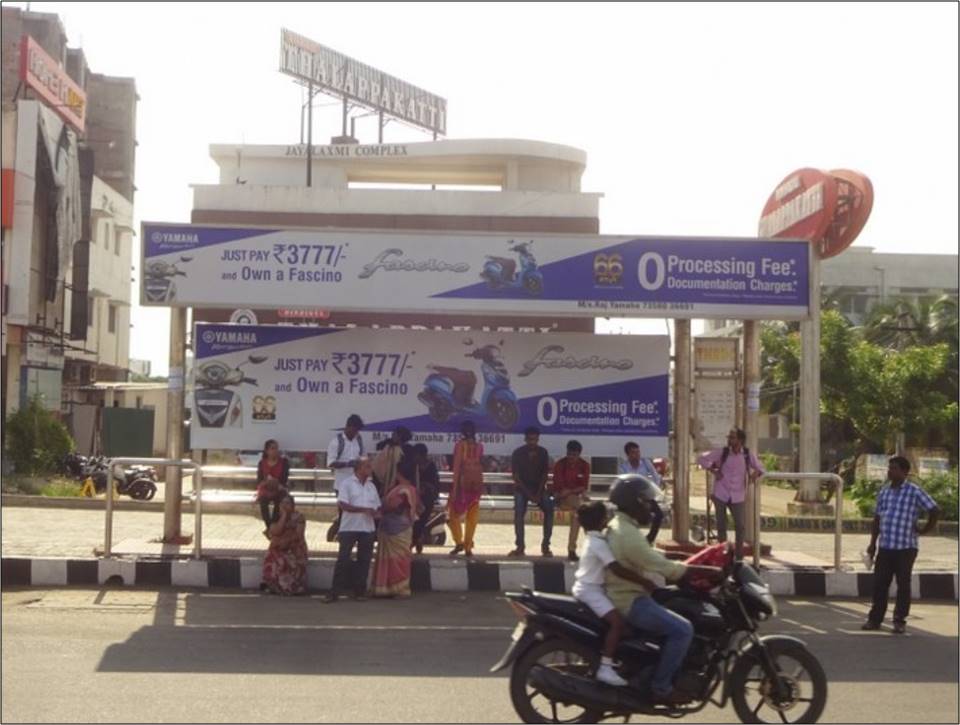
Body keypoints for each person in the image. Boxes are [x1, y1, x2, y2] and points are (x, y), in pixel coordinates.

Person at [605, 475, 723, 706]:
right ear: (634, 502)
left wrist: (683, 557)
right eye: (647, 502)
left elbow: (649, 556)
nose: (651, 507)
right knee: (683, 630)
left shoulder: (623, 526)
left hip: (626, 595)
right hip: (630, 601)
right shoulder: (627, 534)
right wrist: (709, 572)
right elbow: (667, 570)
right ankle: (661, 687)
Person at [572, 501, 660, 687]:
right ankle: (605, 668)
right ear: (600, 520)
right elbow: (617, 569)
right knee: (618, 623)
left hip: (593, 588)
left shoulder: (596, 538)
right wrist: (644, 581)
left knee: (626, 626)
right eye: (606, 516)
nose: (609, 519)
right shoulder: (598, 543)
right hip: (590, 591)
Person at [862, 456, 940, 634]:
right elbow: (877, 518)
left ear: (904, 472)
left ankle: (899, 620)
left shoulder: (914, 491)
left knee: (903, 584)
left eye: (894, 468)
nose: (890, 471)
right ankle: (875, 619)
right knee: (880, 583)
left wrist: (924, 529)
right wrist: (872, 544)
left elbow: (934, 509)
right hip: (886, 546)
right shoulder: (885, 492)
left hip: (906, 547)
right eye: (889, 468)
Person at [696, 428, 765, 560]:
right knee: (721, 525)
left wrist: (753, 475)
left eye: (732, 438)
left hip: (738, 495)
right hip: (721, 492)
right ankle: (724, 554)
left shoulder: (746, 454)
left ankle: (739, 555)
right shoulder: (723, 452)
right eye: (729, 437)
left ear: (740, 440)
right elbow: (701, 459)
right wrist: (713, 470)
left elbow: (760, 468)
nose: (729, 440)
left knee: (740, 525)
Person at [324, 457, 381, 603]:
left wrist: (377, 513)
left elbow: (377, 506)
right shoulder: (347, 484)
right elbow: (343, 505)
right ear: (359, 468)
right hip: (349, 527)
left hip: (367, 528)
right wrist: (363, 510)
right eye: (367, 467)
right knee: (343, 559)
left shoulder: (371, 486)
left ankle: (359, 592)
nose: (370, 470)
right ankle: (334, 591)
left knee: (364, 560)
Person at [371, 462, 421, 598]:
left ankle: (397, 589)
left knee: (396, 560)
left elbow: (395, 506)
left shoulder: (402, 490)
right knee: (400, 559)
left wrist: (380, 506)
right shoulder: (411, 489)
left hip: (395, 529)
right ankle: (394, 588)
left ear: (398, 473)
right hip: (402, 529)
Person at [509, 426, 555, 557]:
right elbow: (516, 477)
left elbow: (544, 475)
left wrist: (539, 493)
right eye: (529, 439)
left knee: (550, 509)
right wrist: (529, 494)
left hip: (539, 489)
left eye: (534, 439)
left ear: (538, 439)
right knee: (518, 512)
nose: (532, 442)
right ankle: (520, 546)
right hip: (522, 489)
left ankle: (546, 546)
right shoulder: (517, 453)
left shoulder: (543, 452)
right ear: (525, 439)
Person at [448, 420, 485, 557]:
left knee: (454, 515)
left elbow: (457, 468)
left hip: (462, 486)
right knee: (472, 517)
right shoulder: (480, 446)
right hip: (475, 486)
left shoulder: (459, 446)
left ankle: (459, 542)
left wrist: (454, 488)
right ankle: (468, 546)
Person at [326, 415, 365, 541]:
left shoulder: (358, 440)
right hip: (341, 484)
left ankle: (345, 537)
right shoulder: (336, 441)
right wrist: (348, 464)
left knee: (353, 513)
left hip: (357, 483)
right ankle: (340, 536)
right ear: (348, 427)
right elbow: (331, 463)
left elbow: (363, 457)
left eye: (358, 431)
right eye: (355, 430)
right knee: (344, 512)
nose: (356, 433)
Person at [260, 493, 308, 595]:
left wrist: (287, 542)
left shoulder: (299, 517)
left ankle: (291, 586)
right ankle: (274, 585)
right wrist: (284, 516)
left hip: (294, 547)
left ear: (293, 505)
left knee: (287, 560)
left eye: (288, 503)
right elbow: (276, 531)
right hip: (279, 547)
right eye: (282, 503)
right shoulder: (276, 517)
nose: (285, 506)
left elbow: (298, 535)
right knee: (273, 555)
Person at [552, 440, 591, 561]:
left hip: (576, 499)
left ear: (579, 454)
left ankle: (571, 549)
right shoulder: (560, 464)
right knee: (583, 510)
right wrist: (574, 491)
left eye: (574, 455)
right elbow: (560, 489)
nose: (571, 458)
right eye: (569, 454)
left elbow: (583, 486)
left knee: (577, 515)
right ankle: (593, 543)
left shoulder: (584, 465)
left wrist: (572, 491)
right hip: (561, 498)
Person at [255, 439, 291, 537]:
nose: (275, 451)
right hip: (266, 488)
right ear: (267, 451)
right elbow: (259, 480)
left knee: (280, 501)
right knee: (263, 501)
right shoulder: (262, 463)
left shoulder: (283, 462)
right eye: (272, 448)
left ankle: (273, 527)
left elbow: (284, 479)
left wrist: (276, 483)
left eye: (276, 448)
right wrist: (267, 482)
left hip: (279, 488)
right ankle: (270, 527)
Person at [411, 444, 441, 554]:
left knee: (421, 521)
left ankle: (416, 540)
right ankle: (416, 540)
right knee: (414, 521)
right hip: (414, 498)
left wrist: (424, 487)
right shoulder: (413, 466)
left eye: (417, 455)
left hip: (427, 499)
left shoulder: (431, 467)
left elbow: (435, 484)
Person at [372, 426, 412, 495]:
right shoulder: (389, 445)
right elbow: (378, 448)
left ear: (399, 436)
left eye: (394, 433)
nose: (392, 435)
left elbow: (400, 468)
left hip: (396, 482)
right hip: (383, 479)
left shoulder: (405, 450)